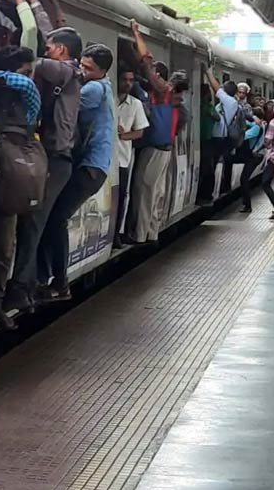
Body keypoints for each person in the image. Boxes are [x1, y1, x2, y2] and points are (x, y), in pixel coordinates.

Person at [6, 0, 79, 309]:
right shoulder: (69, 68)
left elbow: (35, 57)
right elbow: (49, 36)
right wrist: (34, 0)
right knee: (39, 219)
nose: (46, 50)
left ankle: (22, 286)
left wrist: (9, 59)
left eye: (51, 49)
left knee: (34, 218)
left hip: (56, 160)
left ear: (60, 51)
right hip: (54, 159)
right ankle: (36, 279)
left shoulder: (65, 70)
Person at [36, 43, 115, 302]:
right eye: (81, 64)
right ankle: (47, 275)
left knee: (56, 218)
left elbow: (65, 108)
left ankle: (59, 282)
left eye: (88, 68)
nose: (82, 70)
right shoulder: (104, 85)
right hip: (94, 166)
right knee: (54, 217)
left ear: (102, 70)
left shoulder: (93, 90)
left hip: (89, 166)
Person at [0, 46, 41, 329]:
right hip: (8, 170)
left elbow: (22, 82)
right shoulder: (16, 95)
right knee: (5, 244)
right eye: (28, 69)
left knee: (6, 242)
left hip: (8, 171)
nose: (32, 76)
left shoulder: (25, 88)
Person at [124, 20, 189, 244]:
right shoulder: (178, 101)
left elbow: (147, 62)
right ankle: (152, 231)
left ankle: (140, 235)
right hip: (165, 149)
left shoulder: (164, 92)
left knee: (144, 190)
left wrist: (136, 34)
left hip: (154, 149)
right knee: (156, 191)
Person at [113, 64, 149, 248]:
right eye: (124, 80)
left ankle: (116, 235)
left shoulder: (135, 104)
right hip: (106, 157)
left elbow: (140, 132)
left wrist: (122, 135)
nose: (127, 84)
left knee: (120, 198)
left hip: (122, 158)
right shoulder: (108, 99)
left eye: (130, 80)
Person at [238, 107, 266, 213]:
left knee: (244, 179)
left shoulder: (257, 128)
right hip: (255, 155)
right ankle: (246, 204)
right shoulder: (259, 125)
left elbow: (244, 136)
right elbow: (249, 124)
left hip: (255, 156)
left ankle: (247, 205)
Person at [195, 82, 219, 205]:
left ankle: (203, 195)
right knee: (208, 169)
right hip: (207, 140)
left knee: (205, 169)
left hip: (202, 140)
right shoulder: (209, 107)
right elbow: (217, 118)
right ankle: (205, 195)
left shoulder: (200, 106)